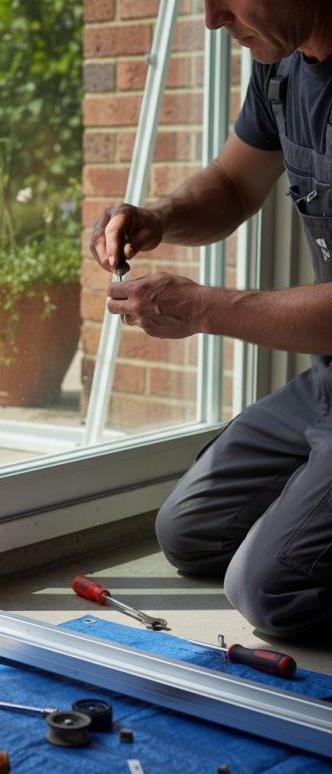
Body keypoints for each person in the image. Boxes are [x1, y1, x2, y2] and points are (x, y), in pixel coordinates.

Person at [90, 1, 332, 639]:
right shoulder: (283, 67)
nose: (210, 18)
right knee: (191, 533)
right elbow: (231, 182)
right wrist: (158, 217)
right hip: (327, 383)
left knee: (271, 591)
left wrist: (202, 308)